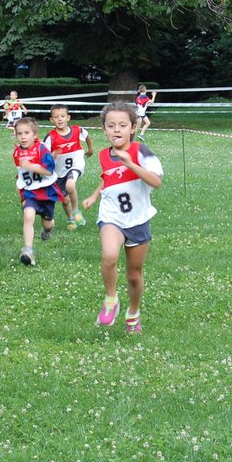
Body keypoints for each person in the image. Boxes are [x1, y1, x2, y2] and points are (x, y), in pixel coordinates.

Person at [82, 102, 164, 333]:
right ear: (104, 129)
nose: (116, 130)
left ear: (133, 128)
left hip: (138, 219)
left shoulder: (141, 151)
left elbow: (156, 181)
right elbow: (109, 178)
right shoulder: (103, 155)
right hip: (112, 216)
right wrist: (94, 196)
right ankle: (111, 300)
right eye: (111, 125)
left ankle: (133, 313)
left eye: (122, 125)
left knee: (134, 275)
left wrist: (130, 163)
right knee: (109, 255)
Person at [13, 117, 64, 266]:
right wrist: (19, 182)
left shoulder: (41, 150)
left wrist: (32, 167)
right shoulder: (17, 152)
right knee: (28, 216)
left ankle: (47, 231)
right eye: (19, 133)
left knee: (48, 223)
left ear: (35, 135)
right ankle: (28, 250)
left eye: (26, 133)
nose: (23, 137)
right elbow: (21, 170)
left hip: (46, 191)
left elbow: (48, 171)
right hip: (29, 192)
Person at [44, 104, 94, 231]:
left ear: (68, 117)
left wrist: (90, 149)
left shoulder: (78, 130)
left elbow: (87, 137)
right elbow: (44, 157)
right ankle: (71, 219)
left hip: (76, 165)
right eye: (56, 117)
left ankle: (76, 211)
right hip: (59, 172)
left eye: (62, 116)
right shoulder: (50, 137)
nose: (59, 119)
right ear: (51, 120)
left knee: (70, 185)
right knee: (65, 201)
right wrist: (52, 157)